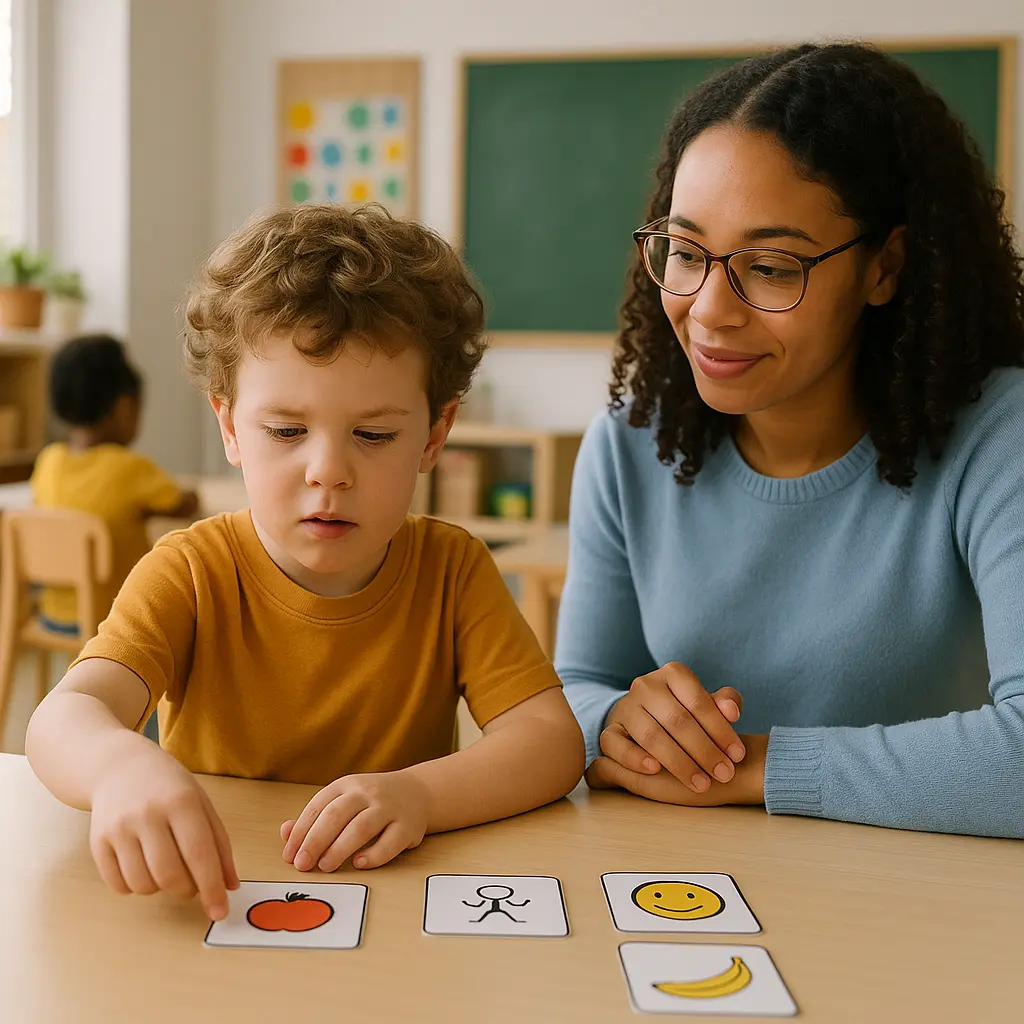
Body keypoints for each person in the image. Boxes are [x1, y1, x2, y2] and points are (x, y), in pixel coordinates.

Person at [26, 204, 585, 921]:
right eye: (287, 430)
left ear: (434, 434)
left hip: (391, 910)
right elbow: (63, 716)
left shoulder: (454, 570)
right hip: (219, 901)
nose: (329, 471)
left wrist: (420, 795)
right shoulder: (190, 571)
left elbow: (549, 744)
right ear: (229, 425)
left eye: (374, 435)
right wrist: (118, 766)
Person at [555, 42, 1024, 838]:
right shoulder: (630, 440)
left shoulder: (999, 437)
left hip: (938, 915)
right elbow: (576, 688)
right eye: (687, 250)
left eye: (771, 267)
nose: (709, 310)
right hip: (692, 893)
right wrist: (618, 723)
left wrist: (751, 767)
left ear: (886, 267)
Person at [30, 334, 198, 633]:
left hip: (52, 614)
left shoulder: (48, 460)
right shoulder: (129, 468)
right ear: (124, 407)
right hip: (116, 615)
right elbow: (184, 505)